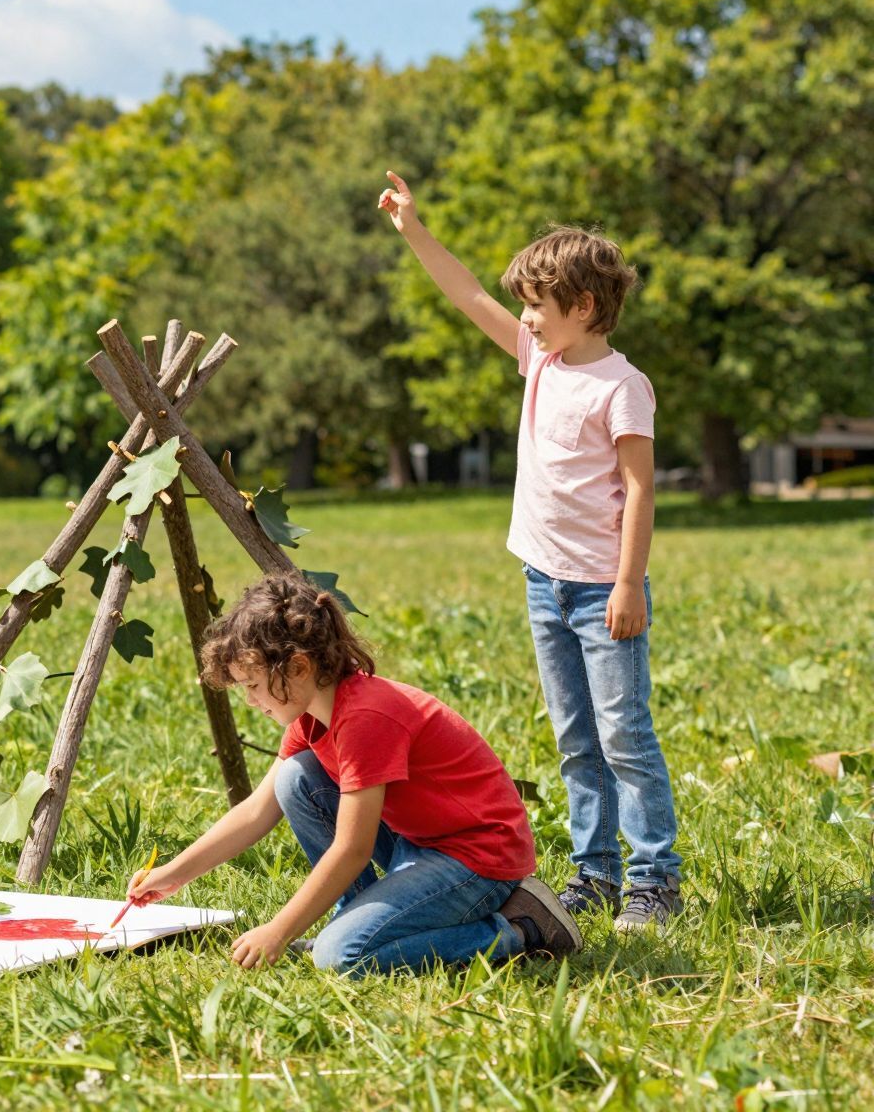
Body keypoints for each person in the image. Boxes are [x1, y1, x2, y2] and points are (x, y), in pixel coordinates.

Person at [379, 171, 681, 929]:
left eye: (537, 307)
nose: (525, 319)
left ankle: (654, 878)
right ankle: (595, 872)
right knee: (576, 736)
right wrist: (414, 229)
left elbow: (640, 492)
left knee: (624, 735)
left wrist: (629, 585)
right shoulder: (539, 359)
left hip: (602, 590)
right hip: (543, 583)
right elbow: (466, 295)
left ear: (583, 307)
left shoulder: (623, 387)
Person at [127, 574, 578, 971]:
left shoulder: (365, 717)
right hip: (420, 843)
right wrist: (173, 874)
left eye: (252, 685)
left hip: (478, 860)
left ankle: (519, 929)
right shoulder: (311, 715)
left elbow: (352, 849)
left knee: (341, 957)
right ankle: (351, 917)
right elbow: (254, 814)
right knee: (297, 778)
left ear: (298, 667)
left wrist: (280, 930)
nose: (250, 700)